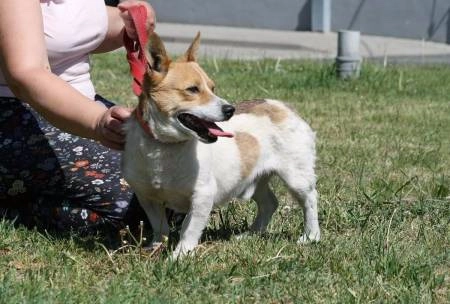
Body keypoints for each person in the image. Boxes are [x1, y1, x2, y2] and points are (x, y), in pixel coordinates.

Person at [0, 0, 155, 235]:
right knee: (139, 205)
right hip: (15, 116)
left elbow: (70, 29)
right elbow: (26, 73)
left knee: (170, 178)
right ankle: (14, 208)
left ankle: (29, 194)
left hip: (75, 108)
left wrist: (129, 23)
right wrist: (97, 121)